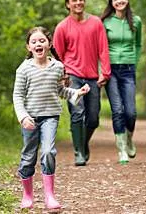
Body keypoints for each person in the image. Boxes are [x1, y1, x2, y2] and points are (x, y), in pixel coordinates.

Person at [13, 26, 90, 209]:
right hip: (30, 119)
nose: (38, 44)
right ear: (28, 47)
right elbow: (17, 96)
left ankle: (49, 196)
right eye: (34, 42)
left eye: (42, 40)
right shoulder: (23, 69)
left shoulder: (58, 67)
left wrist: (77, 93)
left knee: (48, 152)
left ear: (48, 44)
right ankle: (28, 195)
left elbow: (60, 90)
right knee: (28, 156)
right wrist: (23, 117)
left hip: (50, 117)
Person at [53, 0, 111, 166]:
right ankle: (78, 152)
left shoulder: (96, 23)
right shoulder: (62, 27)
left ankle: (83, 143)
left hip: (92, 76)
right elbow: (57, 55)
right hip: (72, 76)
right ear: (67, 4)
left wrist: (105, 72)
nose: (78, 3)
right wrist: (62, 77)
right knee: (77, 113)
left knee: (93, 117)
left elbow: (103, 48)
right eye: (74, 0)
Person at [101, 0, 142, 164]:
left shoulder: (136, 21)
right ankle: (122, 150)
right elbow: (101, 47)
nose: (119, 1)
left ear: (127, 0)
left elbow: (138, 44)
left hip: (128, 69)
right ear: (111, 3)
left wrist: (134, 60)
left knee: (131, 112)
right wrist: (102, 69)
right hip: (110, 70)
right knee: (117, 110)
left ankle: (129, 139)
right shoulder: (106, 22)